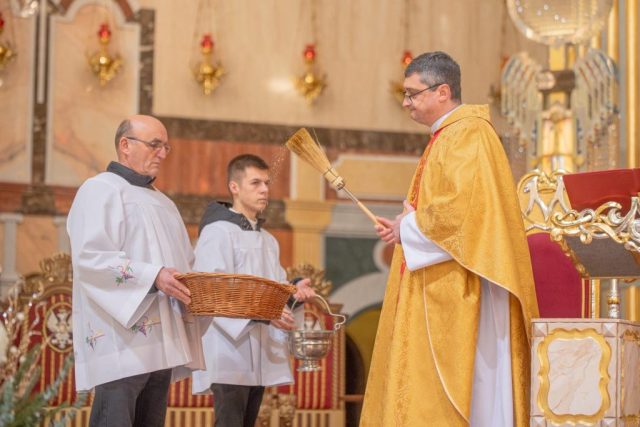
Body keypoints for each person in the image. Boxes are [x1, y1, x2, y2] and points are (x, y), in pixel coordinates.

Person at [360, 52, 539, 426]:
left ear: (442, 91)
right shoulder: (449, 135)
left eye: (412, 93)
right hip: (448, 275)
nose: (406, 102)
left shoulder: (468, 134)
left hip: (468, 285)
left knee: (475, 389)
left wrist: (409, 227)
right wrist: (405, 226)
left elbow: (461, 211)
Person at [67, 115, 204, 427]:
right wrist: (153, 276)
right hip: (122, 342)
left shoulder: (165, 204)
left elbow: (186, 264)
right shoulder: (99, 189)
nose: (162, 153)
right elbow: (90, 258)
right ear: (125, 145)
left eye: (166, 147)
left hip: (163, 343)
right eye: (155, 145)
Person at [191, 154, 315, 427]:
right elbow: (213, 292)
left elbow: (275, 289)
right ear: (234, 187)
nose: (264, 190)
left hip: (259, 347)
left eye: (267, 183)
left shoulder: (268, 241)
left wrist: (294, 292)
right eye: (255, 183)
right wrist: (263, 315)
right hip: (229, 347)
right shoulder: (218, 232)